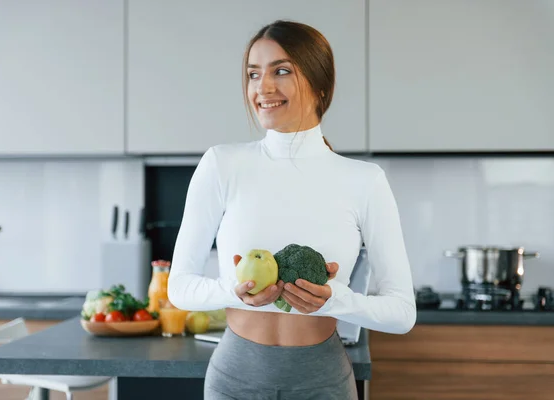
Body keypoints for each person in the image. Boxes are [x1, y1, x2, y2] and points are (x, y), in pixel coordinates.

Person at [167, 19, 416, 400]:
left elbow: (402, 313)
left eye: (281, 71)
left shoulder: (365, 180)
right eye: (253, 74)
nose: (262, 88)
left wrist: (336, 298)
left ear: (320, 85)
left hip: (322, 380)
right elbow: (180, 287)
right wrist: (236, 293)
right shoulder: (221, 164)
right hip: (235, 378)